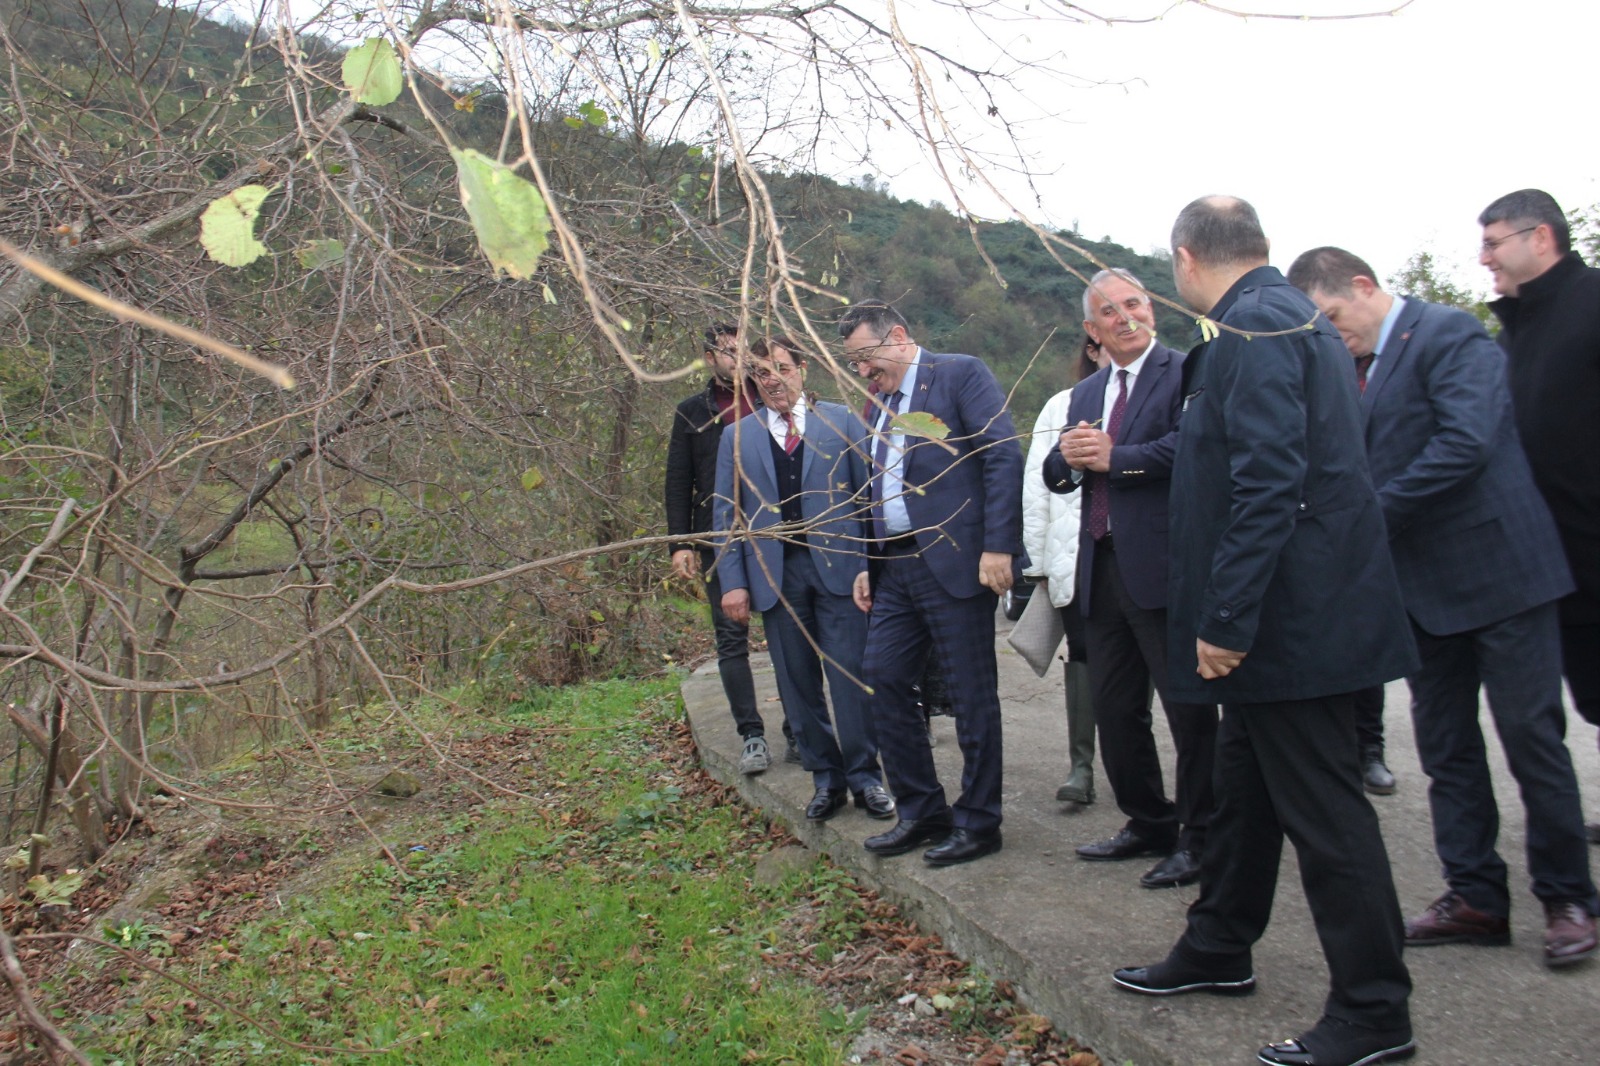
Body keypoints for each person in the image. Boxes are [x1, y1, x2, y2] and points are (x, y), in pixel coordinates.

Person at [1113, 197, 1417, 1066]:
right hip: (1288, 621)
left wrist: (1226, 620)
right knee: (1245, 795)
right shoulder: (1270, 320)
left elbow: (1271, 484)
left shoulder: (1258, 331)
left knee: (1327, 816)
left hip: (1290, 626)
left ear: (1183, 258)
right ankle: (1218, 946)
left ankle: (1373, 1011)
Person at [1289, 246, 1596, 968]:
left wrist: (1370, 515)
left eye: (1334, 318)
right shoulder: (1347, 369)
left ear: (1363, 287)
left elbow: (1466, 441)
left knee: (1531, 739)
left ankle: (1567, 897)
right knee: (1446, 749)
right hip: (1420, 593)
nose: (1335, 337)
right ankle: (1475, 895)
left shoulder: (1448, 333)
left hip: (1502, 576)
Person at [1041, 270, 1218, 890]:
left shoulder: (1187, 371)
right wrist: (1065, 460)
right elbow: (1060, 471)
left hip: (1165, 568)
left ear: (1152, 309)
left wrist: (1123, 458)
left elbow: (1196, 447)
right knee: (1115, 711)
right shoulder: (1086, 393)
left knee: (1189, 713)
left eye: (1135, 304)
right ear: (1092, 330)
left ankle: (1202, 840)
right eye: (1110, 312)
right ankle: (1148, 821)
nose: (1125, 317)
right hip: (1101, 570)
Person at [843, 300, 1025, 867]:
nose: (862, 371)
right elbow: (874, 487)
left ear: (898, 336)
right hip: (893, 567)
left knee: (971, 696)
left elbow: (1001, 457)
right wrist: (864, 562)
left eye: (866, 357)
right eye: (853, 363)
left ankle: (979, 822)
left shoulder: (959, 374)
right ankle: (923, 812)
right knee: (883, 677)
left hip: (954, 560)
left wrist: (998, 545)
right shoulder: (879, 402)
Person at [713, 337, 894, 821]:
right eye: (762, 373)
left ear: (803, 369)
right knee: (796, 684)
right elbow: (725, 513)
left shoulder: (842, 422)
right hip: (775, 576)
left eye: (781, 367)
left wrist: (869, 566)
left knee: (850, 677)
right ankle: (826, 780)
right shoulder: (737, 436)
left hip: (840, 570)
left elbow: (867, 499)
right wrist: (733, 581)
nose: (773, 379)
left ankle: (866, 778)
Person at [1477, 189, 1600, 846]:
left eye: (1494, 242)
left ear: (1542, 237)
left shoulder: (1593, 303)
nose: (1483, 257)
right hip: (1552, 559)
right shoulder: (1513, 330)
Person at [664, 324, 791, 774]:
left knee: (786, 633)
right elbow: (679, 479)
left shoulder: (771, 398)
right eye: (727, 351)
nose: (736, 358)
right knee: (731, 637)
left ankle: (798, 727)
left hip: (774, 533)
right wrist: (681, 543)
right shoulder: (692, 412)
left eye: (743, 350)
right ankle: (752, 735)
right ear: (709, 357)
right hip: (716, 534)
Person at [1022, 336, 1104, 808]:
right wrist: (1038, 565)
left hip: (1134, 560)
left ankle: (1134, 762)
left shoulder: (1158, 399)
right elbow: (1037, 489)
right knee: (1083, 654)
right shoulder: (1062, 406)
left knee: (1138, 662)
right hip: (1074, 557)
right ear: (1092, 349)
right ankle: (1081, 766)